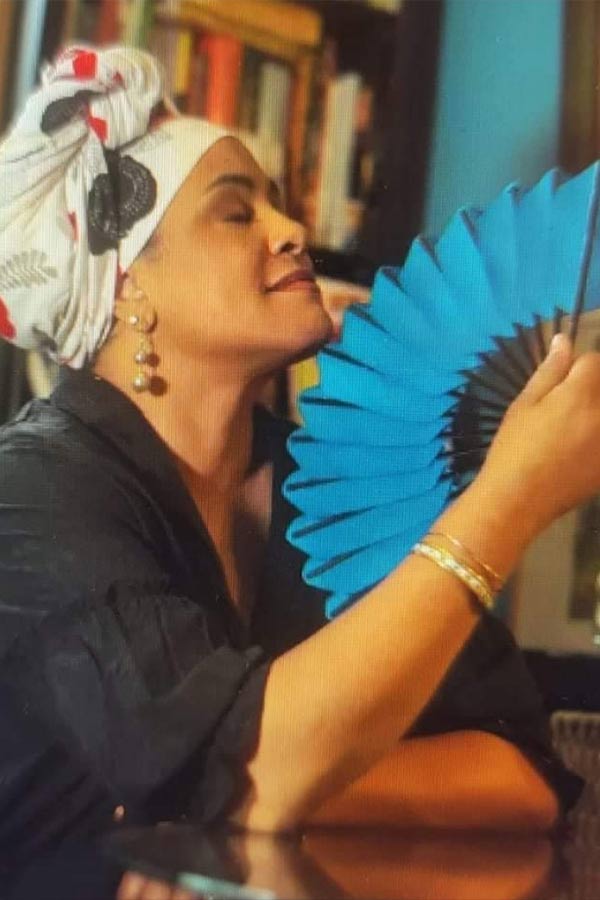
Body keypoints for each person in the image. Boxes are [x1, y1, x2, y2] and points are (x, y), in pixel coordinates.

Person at [0, 44, 591, 876]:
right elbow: (255, 770)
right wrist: (511, 499)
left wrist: (268, 787)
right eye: (237, 213)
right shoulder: (32, 496)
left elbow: (519, 780)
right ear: (128, 284)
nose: (294, 232)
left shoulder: (341, 480)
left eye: (277, 206)